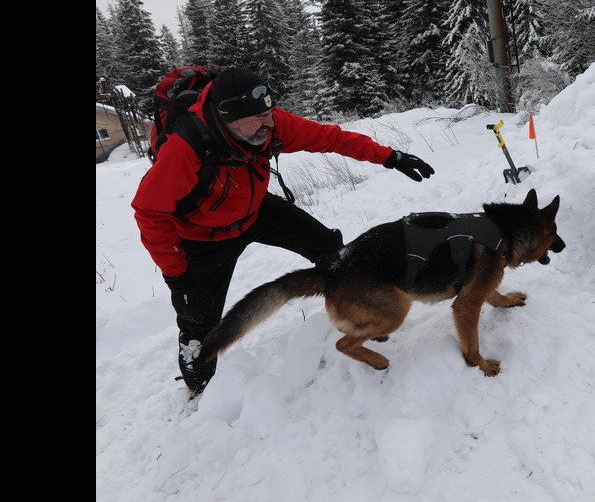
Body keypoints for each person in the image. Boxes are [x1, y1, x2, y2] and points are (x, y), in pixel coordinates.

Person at [132, 67, 434, 393]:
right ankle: (198, 383)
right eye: (259, 117)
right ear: (227, 117)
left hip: (257, 210)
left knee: (330, 248)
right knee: (198, 316)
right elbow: (149, 212)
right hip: (203, 236)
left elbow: (329, 137)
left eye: (270, 113)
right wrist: (178, 279)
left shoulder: (271, 125)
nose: (270, 123)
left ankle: (364, 313)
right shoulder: (185, 147)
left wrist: (389, 156)